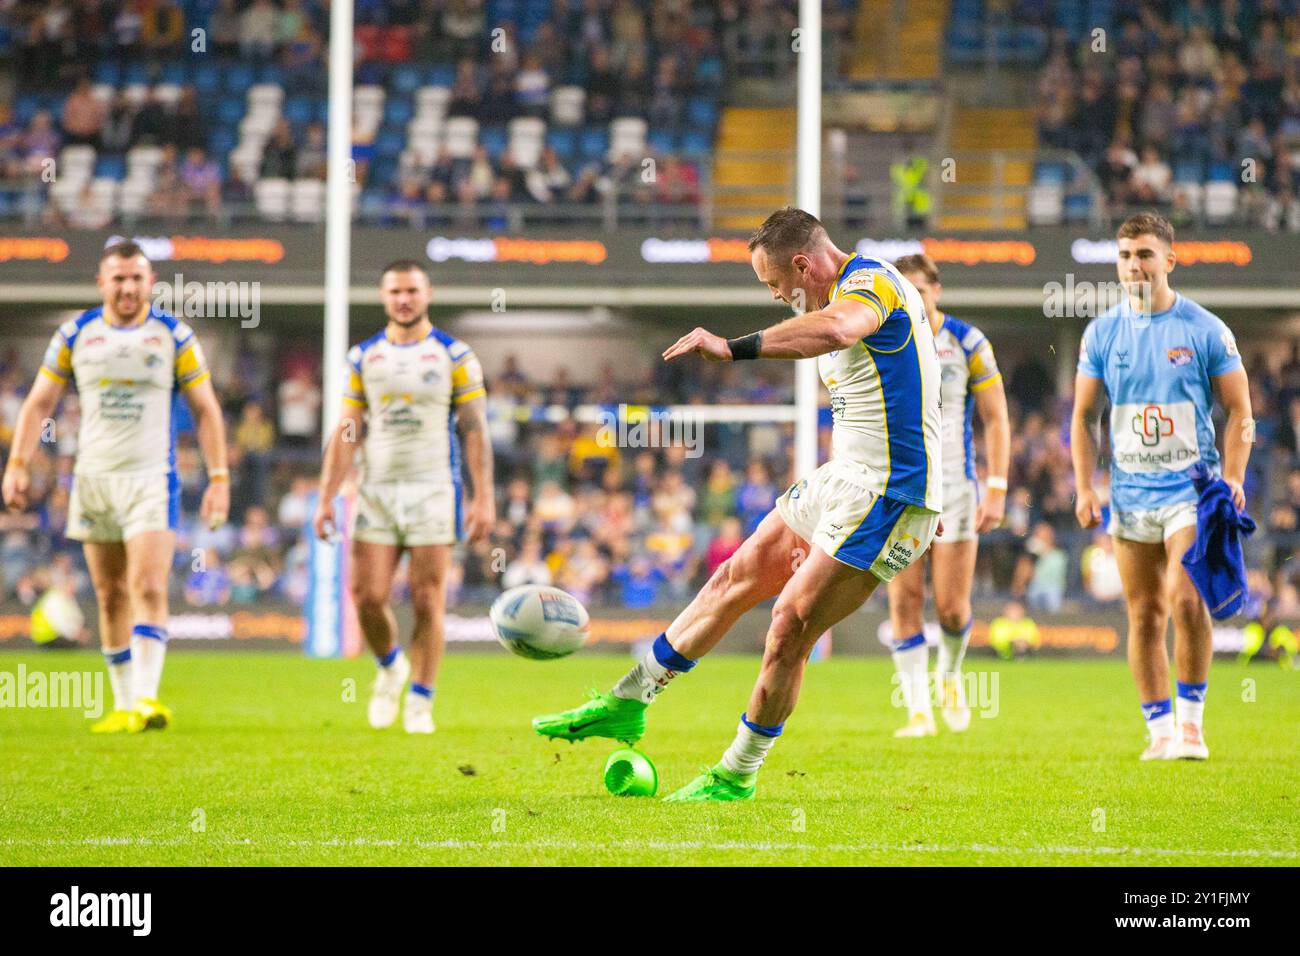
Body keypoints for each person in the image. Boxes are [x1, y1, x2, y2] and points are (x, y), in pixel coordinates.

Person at [531, 207, 943, 800]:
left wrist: (731, 347)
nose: (776, 297)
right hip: (844, 479)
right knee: (732, 576)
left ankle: (736, 773)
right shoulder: (835, 298)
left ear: (803, 264)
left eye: (775, 285)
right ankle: (629, 698)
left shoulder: (871, 281)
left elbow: (835, 330)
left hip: (891, 493)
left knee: (789, 624)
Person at [1, 240, 229, 733]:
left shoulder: (173, 335)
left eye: (137, 278)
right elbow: (39, 403)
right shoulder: (75, 334)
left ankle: (147, 699)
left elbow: (207, 410)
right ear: (102, 283)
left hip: (152, 477)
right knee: (108, 594)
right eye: (119, 278)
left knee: (146, 584)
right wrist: (17, 462)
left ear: (150, 283)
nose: (128, 286)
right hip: (94, 479)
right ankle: (124, 703)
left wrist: (219, 477)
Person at [1071, 211, 1253, 761]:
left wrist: (1236, 475)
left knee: (1184, 597)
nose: (1134, 266)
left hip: (1190, 491)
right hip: (1129, 494)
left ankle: (1193, 726)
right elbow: (1084, 417)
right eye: (1125, 256)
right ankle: (1160, 731)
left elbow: (1241, 409)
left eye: (1145, 254)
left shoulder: (1204, 329)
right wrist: (1085, 486)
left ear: (1170, 260)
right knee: (1144, 613)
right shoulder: (1101, 333)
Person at [314, 260, 494, 735]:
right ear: (383, 297)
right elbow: (348, 429)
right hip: (376, 490)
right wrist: (326, 496)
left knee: (427, 599)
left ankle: (421, 698)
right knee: (367, 598)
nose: (404, 299)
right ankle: (391, 666)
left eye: (412, 290)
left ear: (428, 293)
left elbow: (474, 430)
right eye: (395, 291)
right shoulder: (363, 357)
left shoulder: (455, 355)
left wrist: (483, 497)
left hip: (435, 489)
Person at [884, 253, 1009, 737]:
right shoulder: (886, 336)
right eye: (903, 289)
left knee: (952, 608)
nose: (913, 297)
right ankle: (918, 712)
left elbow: (996, 417)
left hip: (956, 486)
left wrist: (996, 487)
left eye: (920, 287)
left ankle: (950, 675)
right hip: (899, 486)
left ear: (936, 289)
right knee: (905, 598)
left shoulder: (967, 341)